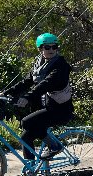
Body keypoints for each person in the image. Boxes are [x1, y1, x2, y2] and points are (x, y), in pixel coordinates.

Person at [6, 32, 74, 160]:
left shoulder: (61, 66)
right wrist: (5, 93)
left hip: (60, 110)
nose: (51, 50)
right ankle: (31, 172)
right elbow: (26, 82)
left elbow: (45, 84)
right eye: (47, 47)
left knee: (26, 122)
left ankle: (55, 146)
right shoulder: (40, 65)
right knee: (25, 137)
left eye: (54, 47)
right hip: (48, 107)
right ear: (40, 49)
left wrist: (27, 97)